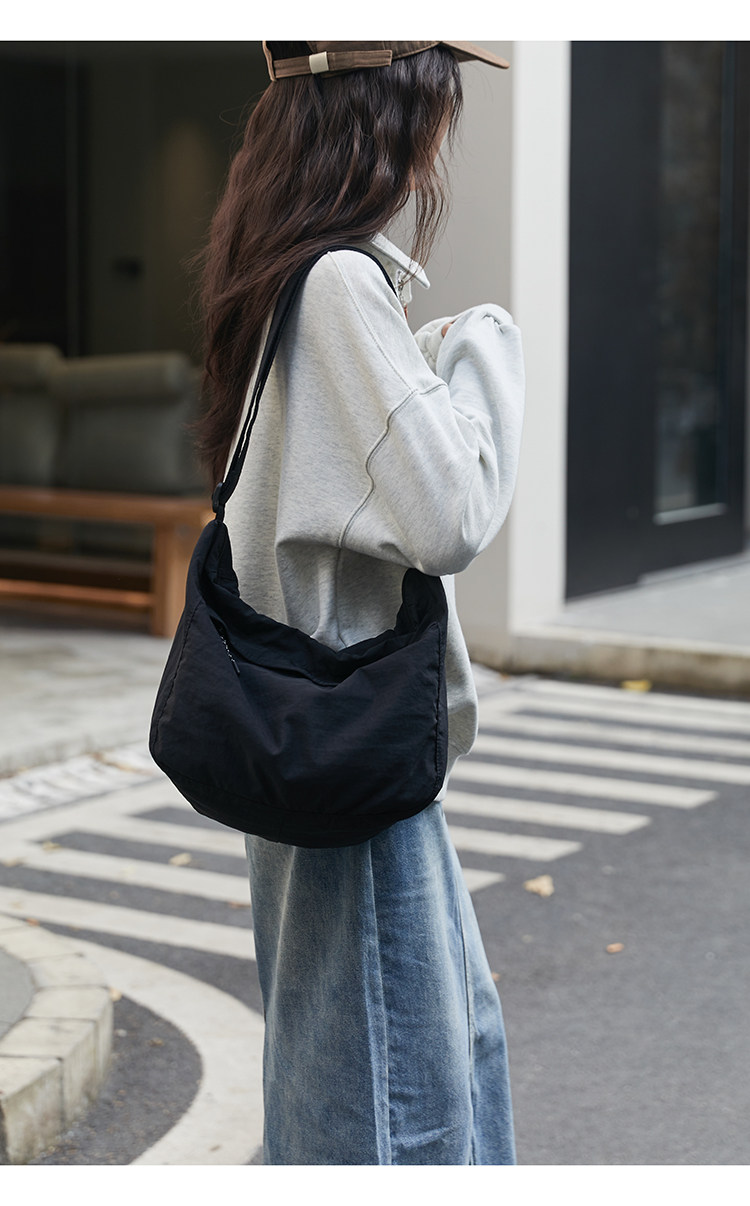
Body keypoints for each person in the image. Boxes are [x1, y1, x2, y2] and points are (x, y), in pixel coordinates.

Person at [193, 40, 525, 1166]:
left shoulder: (283, 273)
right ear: (388, 116)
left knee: (395, 1059)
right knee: (392, 1101)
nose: (440, 139)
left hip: (314, 735)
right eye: (438, 106)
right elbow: (450, 513)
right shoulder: (336, 284)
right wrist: (483, 348)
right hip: (351, 751)